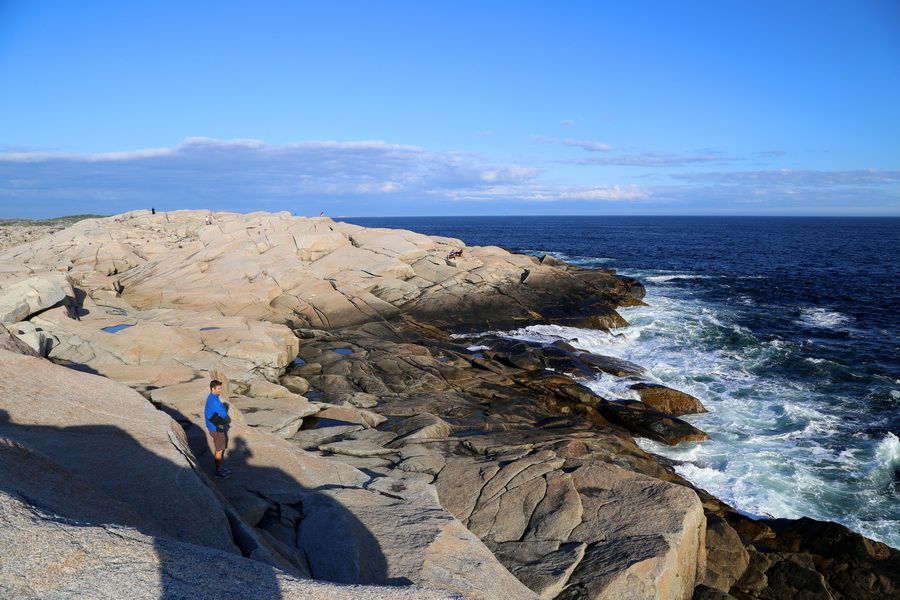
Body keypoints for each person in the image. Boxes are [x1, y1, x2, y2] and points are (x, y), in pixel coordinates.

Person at [204, 379, 232, 478]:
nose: (220, 390)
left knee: (220, 448)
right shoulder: (214, 400)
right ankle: (218, 472)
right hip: (215, 428)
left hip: (213, 424)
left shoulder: (213, 397)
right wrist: (224, 410)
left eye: (221, 388)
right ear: (213, 388)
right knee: (219, 449)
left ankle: (220, 468)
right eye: (219, 388)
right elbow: (224, 414)